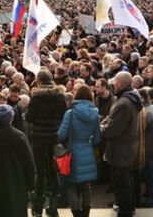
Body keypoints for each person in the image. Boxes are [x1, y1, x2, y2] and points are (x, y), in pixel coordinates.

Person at [25, 69, 68, 217]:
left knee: (40, 171)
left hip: (39, 137)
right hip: (55, 136)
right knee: (53, 171)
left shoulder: (36, 98)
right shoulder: (60, 96)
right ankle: (53, 207)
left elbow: (30, 118)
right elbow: (64, 115)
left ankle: (37, 208)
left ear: (39, 80)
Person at [101, 71, 143, 217]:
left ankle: (125, 211)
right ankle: (128, 208)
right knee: (126, 181)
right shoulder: (128, 98)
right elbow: (112, 119)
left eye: (114, 83)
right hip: (126, 148)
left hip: (120, 149)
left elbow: (112, 130)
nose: (113, 85)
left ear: (119, 84)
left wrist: (101, 127)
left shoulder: (124, 102)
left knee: (121, 184)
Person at [57, 85, 101, 217]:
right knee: (85, 185)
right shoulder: (95, 113)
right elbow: (97, 137)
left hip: (71, 153)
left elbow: (61, 135)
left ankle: (76, 213)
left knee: (70, 184)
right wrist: (89, 144)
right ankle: (86, 212)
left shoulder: (70, 113)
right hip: (87, 150)